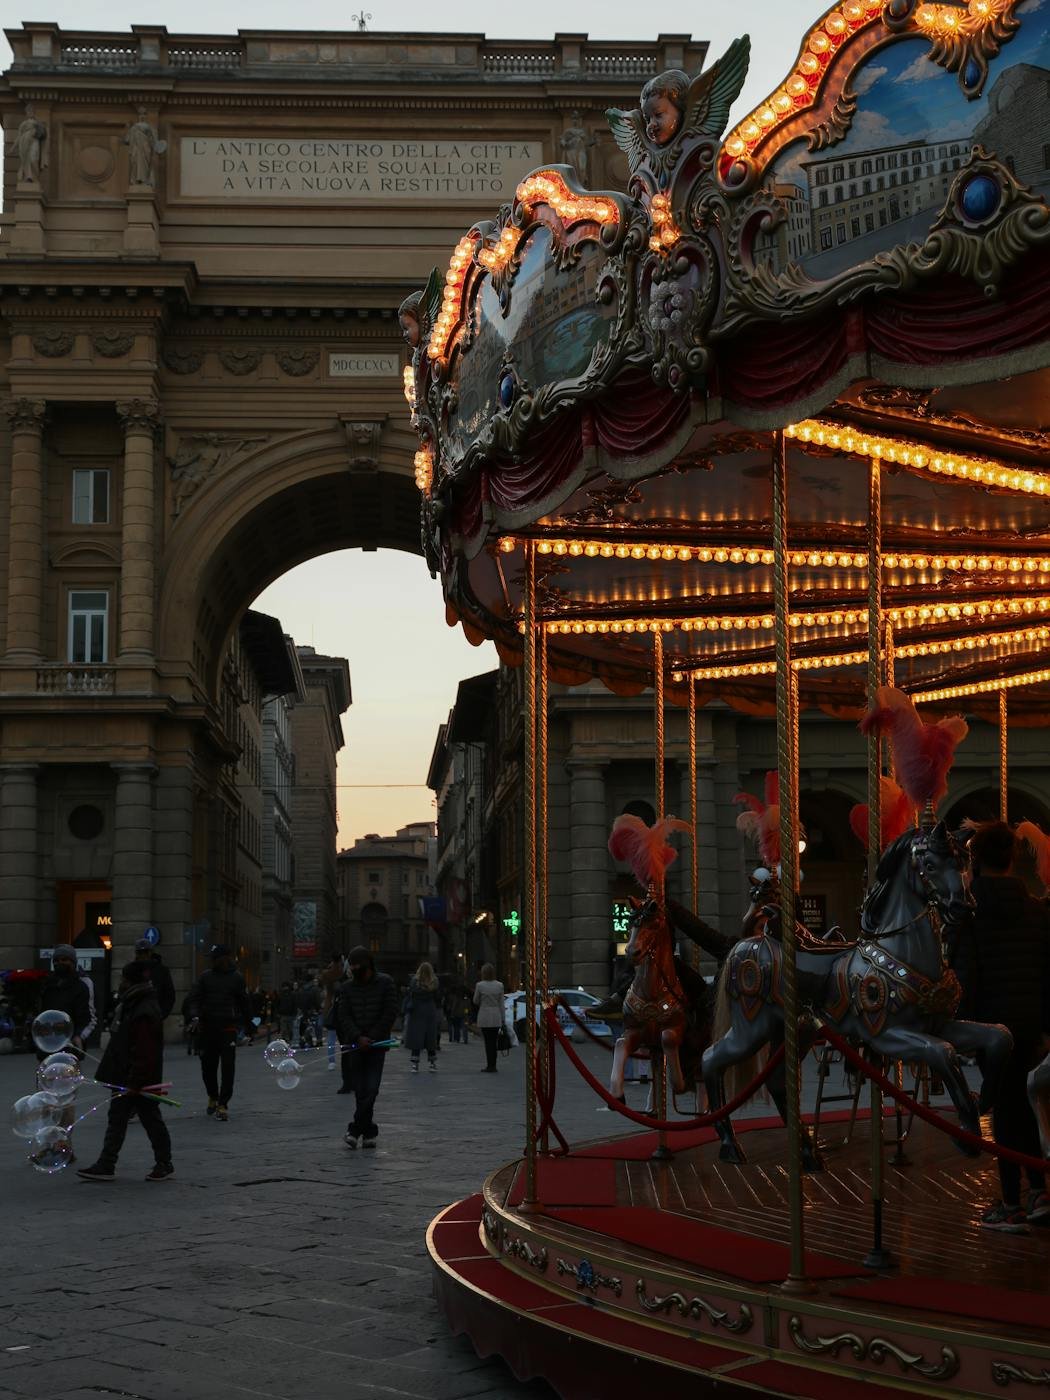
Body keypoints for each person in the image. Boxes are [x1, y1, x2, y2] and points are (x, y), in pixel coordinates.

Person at [952, 821, 1050, 1231]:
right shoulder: (1036, 909)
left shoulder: (970, 915)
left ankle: (1013, 1201)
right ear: (1012, 860)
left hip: (994, 1026)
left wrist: (965, 1027)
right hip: (1035, 1023)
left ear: (975, 863)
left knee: (1009, 1112)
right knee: (1026, 1107)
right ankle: (1038, 1189)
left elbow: (965, 975)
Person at [77, 961, 173, 1182]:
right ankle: (106, 1164)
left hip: (137, 1077)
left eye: (123, 979)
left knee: (150, 1119)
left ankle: (164, 1162)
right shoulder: (132, 1004)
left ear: (131, 981)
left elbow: (144, 1050)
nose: (120, 983)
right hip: (125, 1074)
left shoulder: (143, 1009)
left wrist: (135, 1081)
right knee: (118, 1118)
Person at [335, 946, 398, 1148]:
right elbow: (343, 1016)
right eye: (351, 966)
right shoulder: (346, 988)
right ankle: (369, 1131)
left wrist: (370, 1037)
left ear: (368, 965)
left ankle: (355, 1129)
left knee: (371, 1089)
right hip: (355, 1045)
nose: (353, 969)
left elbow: (390, 1012)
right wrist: (357, 1036)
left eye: (356, 965)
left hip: (376, 1045)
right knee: (361, 1090)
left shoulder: (386, 983)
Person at [187, 946, 252, 1122]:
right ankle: (212, 1096)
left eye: (214, 957)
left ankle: (223, 1104)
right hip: (207, 1028)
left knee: (228, 1067)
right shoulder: (205, 977)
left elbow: (244, 1003)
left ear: (223, 959)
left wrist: (249, 1024)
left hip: (228, 1028)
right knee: (208, 1066)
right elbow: (194, 998)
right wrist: (194, 1016)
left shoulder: (237, 978)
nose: (212, 960)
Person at [403, 961, 441, 1073]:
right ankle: (432, 1063)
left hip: (417, 1010)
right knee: (430, 1036)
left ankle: (415, 1064)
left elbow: (410, 994)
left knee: (416, 1036)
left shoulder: (414, 982)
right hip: (430, 1010)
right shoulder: (434, 982)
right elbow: (438, 997)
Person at [473, 963, 506, 1073]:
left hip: (485, 1015)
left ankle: (489, 1065)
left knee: (488, 1042)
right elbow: (502, 1004)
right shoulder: (499, 985)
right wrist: (503, 1019)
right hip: (496, 1015)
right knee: (494, 1041)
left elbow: (475, 1001)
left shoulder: (480, 985)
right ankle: (493, 1064)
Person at [133, 939, 175, 1020]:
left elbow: (169, 994)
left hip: (154, 1016)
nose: (143, 955)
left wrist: (162, 1014)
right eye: (140, 953)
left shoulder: (161, 970)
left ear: (150, 952)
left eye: (145, 952)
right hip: (135, 1017)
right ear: (137, 954)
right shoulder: (131, 969)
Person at [318, 953, 346, 1070]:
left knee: (331, 1037)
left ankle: (331, 1062)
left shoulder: (327, 973)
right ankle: (347, 1059)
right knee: (344, 1037)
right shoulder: (344, 972)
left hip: (329, 1007)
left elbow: (322, 984)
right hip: (343, 1007)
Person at [296, 974, 321, 1049]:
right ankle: (307, 1040)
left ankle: (306, 1040)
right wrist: (318, 1008)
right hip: (312, 1010)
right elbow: (317, 1000)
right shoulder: (315, 989)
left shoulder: (301, 989)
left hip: (304, 1011)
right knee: (312, 1026)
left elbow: (298, 1000)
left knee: (306, 1025)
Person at [276, 980, 297, 1047]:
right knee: (284, 1030)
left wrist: (294, 1013)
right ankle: (285, 1041)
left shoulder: (292, 994)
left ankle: (289, 1040)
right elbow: (277, 1004)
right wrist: (278, 1012)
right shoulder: (281, 995)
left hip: (289, 1014)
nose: (285, 988)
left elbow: (294, 1004)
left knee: (290, 1030)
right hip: (284, 1014)